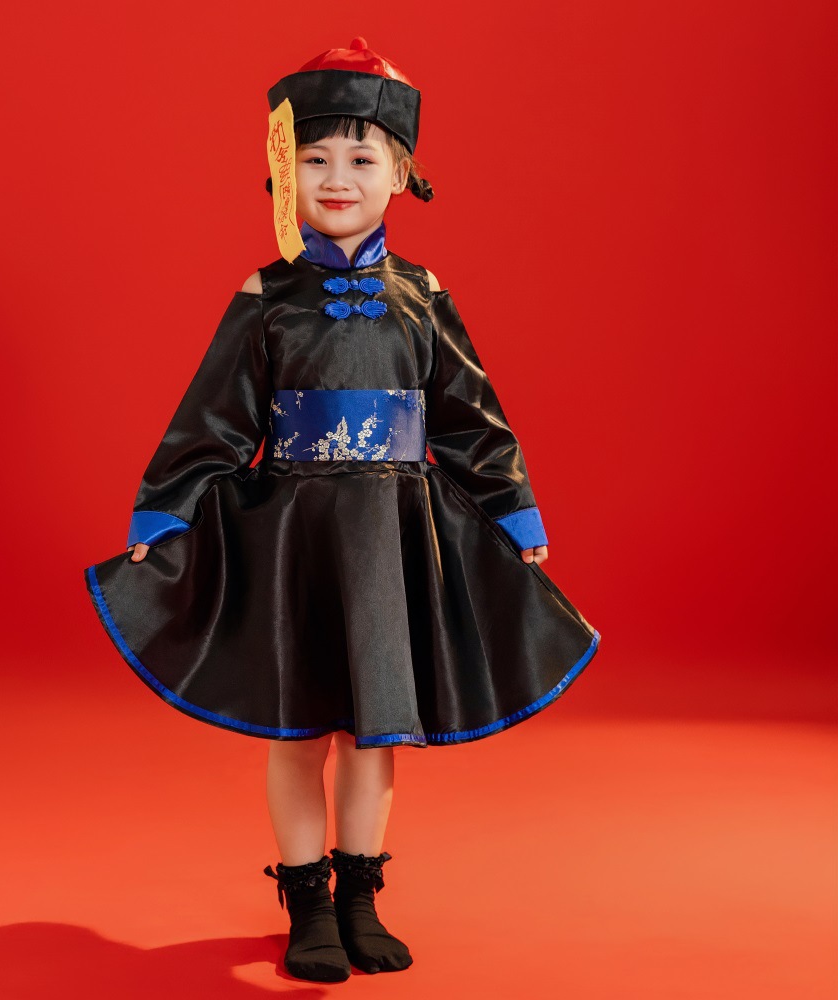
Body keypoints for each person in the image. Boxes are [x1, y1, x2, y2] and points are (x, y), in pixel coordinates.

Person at [83, 37, 601, 984]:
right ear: (286, 172)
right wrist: (168, 510)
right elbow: (213, 417)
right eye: (316, 157)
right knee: (299, 731)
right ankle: (307, 900)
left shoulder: (425, 297)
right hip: (296, 539)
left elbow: (470, 416)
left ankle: (361, 894)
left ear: (401, 174)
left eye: (361, 159)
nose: (337, 178)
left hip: (390, 541)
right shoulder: (265, 296)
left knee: (374, 730)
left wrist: (513, 509)